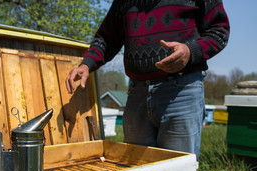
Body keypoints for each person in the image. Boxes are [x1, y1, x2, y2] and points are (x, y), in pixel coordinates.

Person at [65, 0, 229, 160]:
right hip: (137, 93)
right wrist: (87, 64)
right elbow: (107, 38)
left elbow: (219, 30)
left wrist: (190, 51)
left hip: (182, 91)